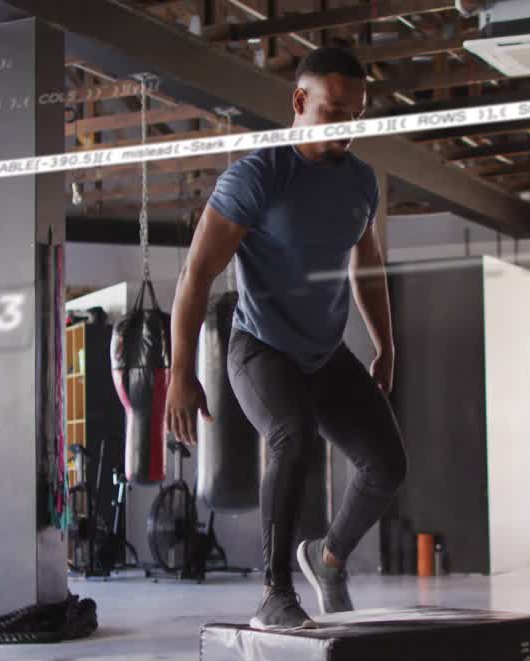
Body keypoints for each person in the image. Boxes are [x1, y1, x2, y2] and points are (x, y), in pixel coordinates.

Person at [165, 46, 407, 630]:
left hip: (324, 354)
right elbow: (196, 274)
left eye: (357, 115)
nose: (347, 126)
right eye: (334, 111)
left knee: (386, 466)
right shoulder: (258, 174)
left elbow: (366, 265)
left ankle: (327, 559)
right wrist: (179, 370)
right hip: (261, 348)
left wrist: (386, 344)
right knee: (291, 436)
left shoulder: (360, 180)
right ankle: (274, 593)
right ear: (300, 102)